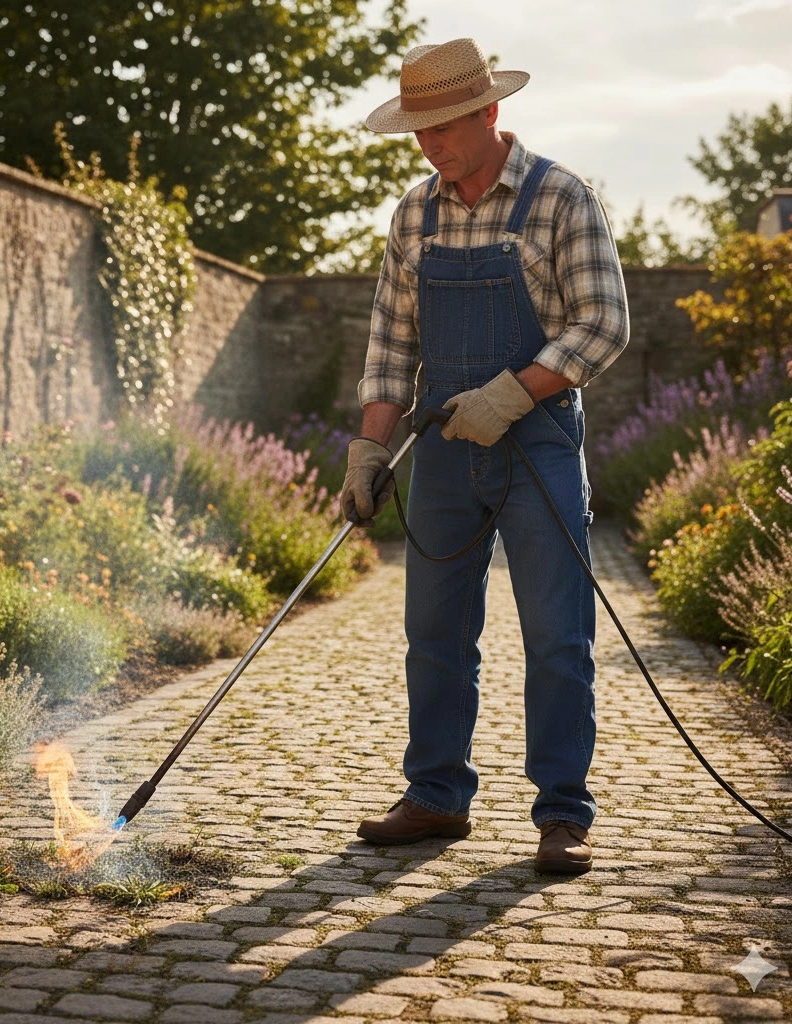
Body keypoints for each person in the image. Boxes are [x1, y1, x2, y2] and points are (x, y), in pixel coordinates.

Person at [341, 38, 629, 873]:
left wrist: (512, 393)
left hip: (538, 444)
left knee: (558, 636)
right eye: (418, 131)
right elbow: (392, 345)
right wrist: (370, 447)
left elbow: (604, 324)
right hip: (443, 449)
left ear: (490, 110)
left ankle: (563, 813)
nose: (429, 145)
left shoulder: (561, 197)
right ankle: (435, 795)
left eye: (443, 127)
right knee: (433, 632)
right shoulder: (414, 215)